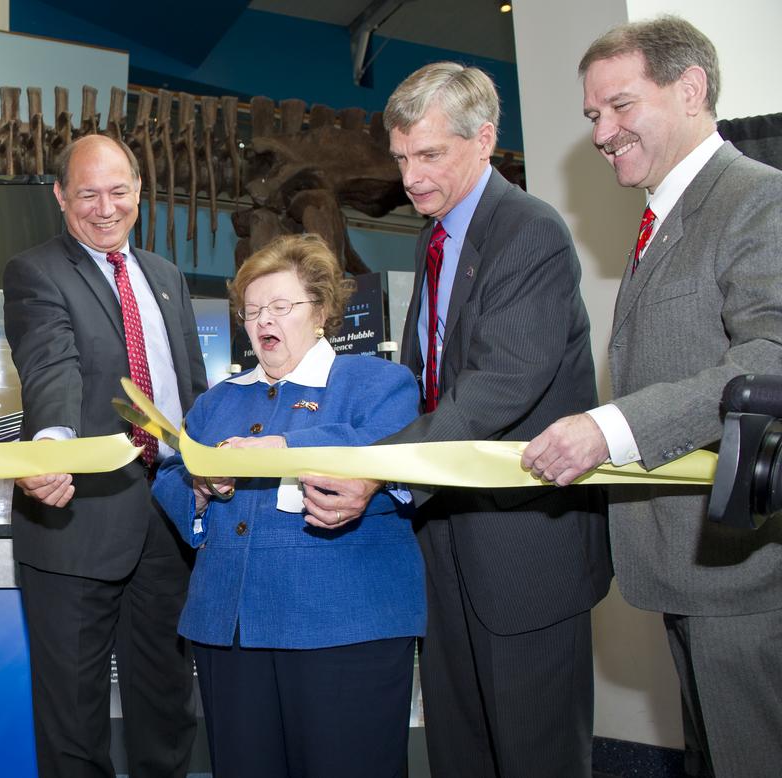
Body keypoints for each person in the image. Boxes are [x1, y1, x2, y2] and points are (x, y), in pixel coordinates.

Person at [299, 63, 612, 777]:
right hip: (447, 542)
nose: (410, 177)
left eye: (430, 155)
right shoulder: (433, 238)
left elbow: (498, 386)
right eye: (403, 157)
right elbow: (426, 386)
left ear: (485, 140)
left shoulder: (528, 231)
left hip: (526, 551)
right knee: (460, 752)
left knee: (536, 756)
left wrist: (376, 471)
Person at [523, 16, 782, 777]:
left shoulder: (755, 200)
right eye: (592, 115)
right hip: (689, 568)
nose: (603, 131)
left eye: (621, 106)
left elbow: (771, 357)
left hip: (744, 575)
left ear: (691, 89)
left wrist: (612, 428)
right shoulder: (662, 219)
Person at [151, 234, 422, 777]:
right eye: (251, 311)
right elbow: (171, 474)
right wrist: (200, 490)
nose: (262, 321)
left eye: (280, 306)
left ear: (320, 311)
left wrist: (281, 449)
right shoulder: (216, 401)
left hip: (344, 629)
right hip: (228, 634)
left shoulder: (379, 384)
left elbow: (392, 457)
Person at [2, 134, 206, 777]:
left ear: (139, 195)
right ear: (61, 196)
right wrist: (53, 446)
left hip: (168, 515)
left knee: (166, 705)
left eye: (118, 192)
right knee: (72, 718)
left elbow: (190, 387)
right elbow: (50, 365)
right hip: (76, 519)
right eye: (87, 193)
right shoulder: (36, 272)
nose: (104, 207)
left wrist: (208, 459)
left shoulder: (167, 277)